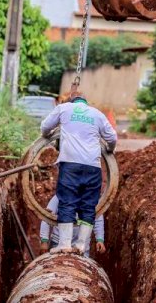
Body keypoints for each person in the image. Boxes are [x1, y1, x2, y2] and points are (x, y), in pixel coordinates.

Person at [40, 90, 117, 253]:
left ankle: (65, 245)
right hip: (93, 166)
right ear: (85, 101)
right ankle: (81, 245)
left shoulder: (64, 108)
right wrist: (109, 150)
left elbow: (45, 127)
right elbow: (112, 138)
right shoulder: (97, 114)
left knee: (67, 201)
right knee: (89, 205)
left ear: (71, 100)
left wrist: (47, 135)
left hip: (70, 165)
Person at [39, 195, 105, 257]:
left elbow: (98, 219)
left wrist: (100, 239)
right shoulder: (60, 195)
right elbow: (47, 215)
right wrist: (44, 240)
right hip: (58, 241)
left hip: (82, 245)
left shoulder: (92, 197)